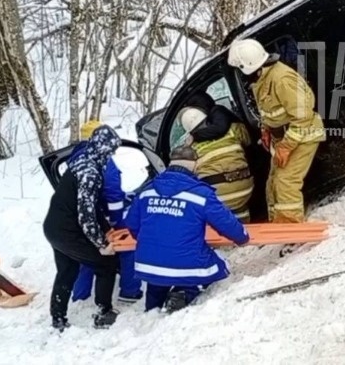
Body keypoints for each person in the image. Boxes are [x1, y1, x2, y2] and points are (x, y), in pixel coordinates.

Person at [124, 138, 250, 313]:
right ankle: (184, 292)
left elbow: (131, 224)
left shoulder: (147, 191)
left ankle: (152, 308)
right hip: (186, 262)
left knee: (158, 281)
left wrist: (151, 242)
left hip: (148, 264)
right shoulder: (200, 194)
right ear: (194, 165)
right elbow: (226, 223)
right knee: (220, 266)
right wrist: (242, 238)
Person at [226, 38, 325, 223]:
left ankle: (292, 231)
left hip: (303, 134)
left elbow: (303, 116)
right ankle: (278, 226)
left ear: (248, 65)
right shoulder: (262, 79)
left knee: (285, 182)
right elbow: (271, 111)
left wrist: (286, 146)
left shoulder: (281, 79)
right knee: (272, 183)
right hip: (284, 137)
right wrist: (266, 129)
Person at [42, 125, 122, 331]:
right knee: (106, 263)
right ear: (104, 149)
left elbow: (90, 206)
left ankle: (58, 318)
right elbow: (86, 216)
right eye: (111, 151)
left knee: (66, 271)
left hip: (54, 227)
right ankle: (104, 311)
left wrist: (105, 227)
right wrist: (103, 243)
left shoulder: (81, 160)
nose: (112, 155)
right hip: (68, 232)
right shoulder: (91, 173)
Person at [70, 121, 143, 304]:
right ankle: (130, 291)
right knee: (128, 247)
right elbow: (112, 193)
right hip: (105, 217)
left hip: (82, 216)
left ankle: (80, 295)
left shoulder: (76, 157)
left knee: (87, 254)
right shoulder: (104, 161)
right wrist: (117, 223)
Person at [175, 93, 255, 222]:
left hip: (218, 194)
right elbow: (248, 140)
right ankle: (247, 229)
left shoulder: (191, 146)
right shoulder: (232, 129)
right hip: (246, 188)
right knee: (241, 210)